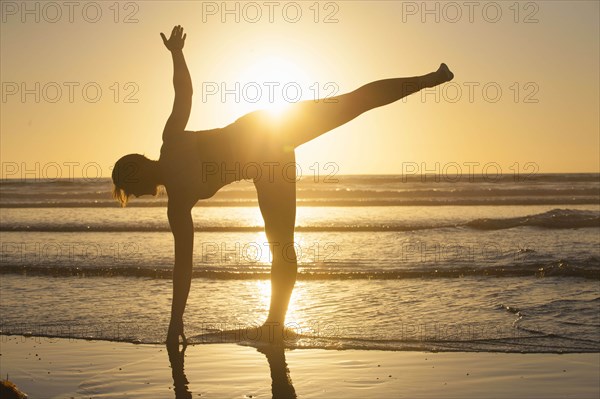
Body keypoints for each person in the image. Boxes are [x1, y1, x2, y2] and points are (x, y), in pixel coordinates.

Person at [112, 25, 454, 347]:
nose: (136, 196)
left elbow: (183, 91)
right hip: (268, 159)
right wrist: (175, 324)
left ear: (136, 171)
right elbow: (183, 266)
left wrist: (176, 53)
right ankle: (274, 325)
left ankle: (428, 79)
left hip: (267, 134)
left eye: (129, 189)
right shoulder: (175, 188)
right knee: (283, 244)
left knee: (350, 104)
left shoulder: (173, 157)